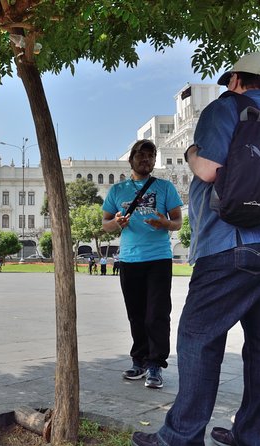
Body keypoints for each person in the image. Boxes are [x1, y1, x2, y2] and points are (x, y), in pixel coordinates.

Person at [131, 52, 260, 446]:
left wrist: (189, 153)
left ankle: (180, 436)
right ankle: (251, 434)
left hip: (228, 245)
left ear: (236, 79)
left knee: (196, 337)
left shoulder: (227, 108)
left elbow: (207, 169)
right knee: (257, 348)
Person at [102, 139, 183, 390]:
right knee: (136, 313)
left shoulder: (165, 187)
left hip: (158, 258)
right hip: (129, 259)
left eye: (150, 155)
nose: (146, 159)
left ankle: (155, 365)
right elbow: (106, 224)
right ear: (131, 159)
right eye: (141, 155)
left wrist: (165, 224)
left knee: (157, 313)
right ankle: (139, 361)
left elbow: (178, 221)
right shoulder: (117, 191)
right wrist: (117, 222)